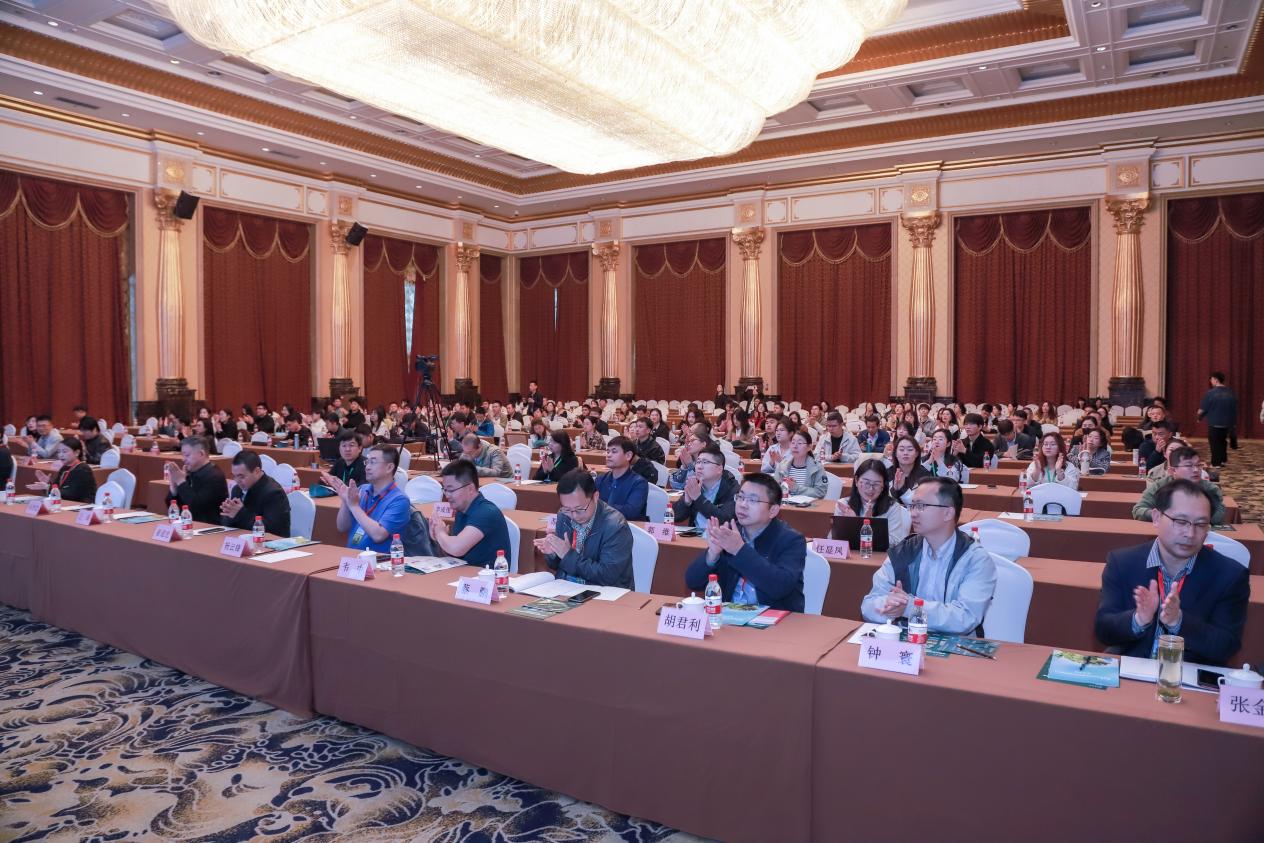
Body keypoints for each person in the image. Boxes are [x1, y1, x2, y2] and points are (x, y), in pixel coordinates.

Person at [1096, 479, 1247, 666]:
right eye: (1180, 522)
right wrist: (1138, 619)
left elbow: (1226, 646)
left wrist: (1179, 622)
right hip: (1132, 669)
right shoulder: (1122, 562)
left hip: (1189, 674)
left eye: (1201, 524)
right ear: (1156, 518)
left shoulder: (1230, 575)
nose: (1190, 533)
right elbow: (1103, 630)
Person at [860, 477, 997, 635]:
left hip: (957, 646)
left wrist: (910, 607)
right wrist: (890, 605)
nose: (913, 513)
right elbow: (868, 606)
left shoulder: (975, 559)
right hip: (908, 641)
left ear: (948, 513)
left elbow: (965, 618)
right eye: (912, 506)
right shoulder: (903, 552)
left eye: (921, 506)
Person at [683, 473, 805, 611]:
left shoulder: (791, 540)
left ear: (773, 510)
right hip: (729, 616)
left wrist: (739, 550)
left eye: (753, 500)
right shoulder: (730, 532)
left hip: (772, 618)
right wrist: (712, 554)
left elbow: (780, 587)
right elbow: (693, 582)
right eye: (740, 497)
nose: (743, 505)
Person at [533, 469, 634, 588]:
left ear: (595, 497)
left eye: (580, 509)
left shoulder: (616, 526)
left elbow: (607, 575)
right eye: (567, 509)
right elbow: (558, 565)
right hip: (568, 588)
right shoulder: (564, 515)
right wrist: (553, 553)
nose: (574, 515)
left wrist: (567, 555)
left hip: (604, 592)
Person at [323, 444, 411, 552]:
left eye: (373, 462)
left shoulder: (399, 500)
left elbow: (378, 535)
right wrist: (345, 501)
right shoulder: (362, 490)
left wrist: (354, 506)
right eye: (367, 462)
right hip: (352, 556)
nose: (367, 467)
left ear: (389, 467)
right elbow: (342, 527)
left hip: (379, 559)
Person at [429, 459, 511, 566]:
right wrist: (438, 538)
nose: (447, 495)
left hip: (487, 575)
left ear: (470, 489)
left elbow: (456, 548)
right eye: (444, 490)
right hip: (464, 572)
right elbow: (453, 554)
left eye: (451, 490)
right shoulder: (461, 509)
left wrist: (440, 533)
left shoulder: (486, 512)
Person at [1133, 446, 1227, 524]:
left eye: (1198, 465)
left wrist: (1192, 518)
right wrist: (1165, 516)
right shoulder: (1159, 486)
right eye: (1189, 466)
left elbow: (1219, 515)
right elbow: (1138, 510)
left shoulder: (1210, 488)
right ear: (1173, 470)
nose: (1196, 470)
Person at [834, 459, 911, 544]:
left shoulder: (892, 507)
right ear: (856, 481)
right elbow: (835, 539)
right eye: (866, 483)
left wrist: (867, 524)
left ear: (883, 486)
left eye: (876, 484)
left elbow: (895, 542)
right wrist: (853, 522)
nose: (871, 489)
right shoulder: (844, 505)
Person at [220, 450, 291, 537]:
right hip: (241, 539)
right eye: (234, 476)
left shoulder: (274, 493)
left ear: (257, 471)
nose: (237, 481)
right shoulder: (237, 489)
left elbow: (273, 530)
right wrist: (229, 514)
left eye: (241, 476)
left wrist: (240, 514)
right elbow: (228, 524)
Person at [164, 436, 229, 524]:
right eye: (182, 455)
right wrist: (173, 487)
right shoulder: (191, 472)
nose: (183, 459)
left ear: (201, 454)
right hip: (187, 523)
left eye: (187, 455)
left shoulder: (214, 476)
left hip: (209, 526)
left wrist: (181, 481)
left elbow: (195, 507)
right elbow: (172, 508)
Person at [672, 443, 737, 528]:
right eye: (698, 462)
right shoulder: (696, 484)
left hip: (719, 535)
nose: (699, 466)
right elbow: (675, 517)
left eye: (705, 462)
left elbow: (725, 520)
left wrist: (698, 498)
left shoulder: (732, 487)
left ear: (719, 469)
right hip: (695, 534)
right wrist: (686, 501)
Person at [595, 436, 649, 522]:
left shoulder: (639, 483)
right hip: (602, 525)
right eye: (608, 451)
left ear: (628, 456)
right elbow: (590, 503)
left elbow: (630, 512)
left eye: (614, 451)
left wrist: (600, 507)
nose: (608, 455)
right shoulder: (600, 479)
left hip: (629, 527)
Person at [25, 439, 96, 503]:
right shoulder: (64, 468)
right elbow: (57, 490)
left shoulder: (82, 469)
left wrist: (48, 487)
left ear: (77, 452)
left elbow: (71, 494)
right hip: (65, 504)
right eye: (59, 452)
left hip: (81, 506)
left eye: (64, 451)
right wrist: (48, 483)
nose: (61, 455)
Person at [773, 429, 829, 499]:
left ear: (809, 447)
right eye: (793, 442)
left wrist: (796, 488)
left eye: (799, 443)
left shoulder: (817, 467)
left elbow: (820, 492)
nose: (795, 446)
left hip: (807, 505)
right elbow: (774, 489)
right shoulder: (782, 465)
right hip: (785, 504)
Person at [1197, 371, 1237, 468]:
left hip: (1215, 422)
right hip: (1228, 423)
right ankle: (1222, 460)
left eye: (1211, 379)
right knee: (1223, 441)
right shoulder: (1231, 392)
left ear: (1216, 380)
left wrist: (1199, 417)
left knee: (1215, 442)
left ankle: (1216, 463)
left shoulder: (1210, 393)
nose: (1210, 381)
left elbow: (1202, 409)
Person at [887, 436, 930, 503]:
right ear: (895, 453)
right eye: (901, 450)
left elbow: (922, 503)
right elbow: (884, 501)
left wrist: (902, 489)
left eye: (910, 450)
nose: (905, 453)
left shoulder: (925, 475)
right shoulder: (887, 473)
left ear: (916, 453)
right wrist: (894, 489)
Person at [669, 424, 709, 491]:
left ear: (703, 444)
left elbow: (703, 488)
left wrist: (690, 466)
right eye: (689, 441)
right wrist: (684, 467)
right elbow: (675, 486)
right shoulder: (690, 459)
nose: (689, 444)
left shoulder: (709, 462)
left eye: (693, 440)